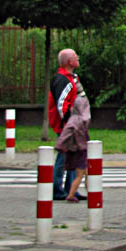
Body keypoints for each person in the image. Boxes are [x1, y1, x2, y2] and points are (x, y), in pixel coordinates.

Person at [47, 48, 81, 200]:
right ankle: (57, 189)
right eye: (75, 57)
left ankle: (70, 189)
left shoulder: (71, 78)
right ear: (69, 62)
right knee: (64, 156)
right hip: (65, 124)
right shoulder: (63, 80)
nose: (78, 58)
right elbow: (62, 105)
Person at [55, 94, 90, 202]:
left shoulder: (74, 119)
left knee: (88, 173)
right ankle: (70, 195)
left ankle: (92, 193)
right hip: (80, 150)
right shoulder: (79, 120)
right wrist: (60, 146)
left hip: (80, 149)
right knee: (80, 175)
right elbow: (66, 135)